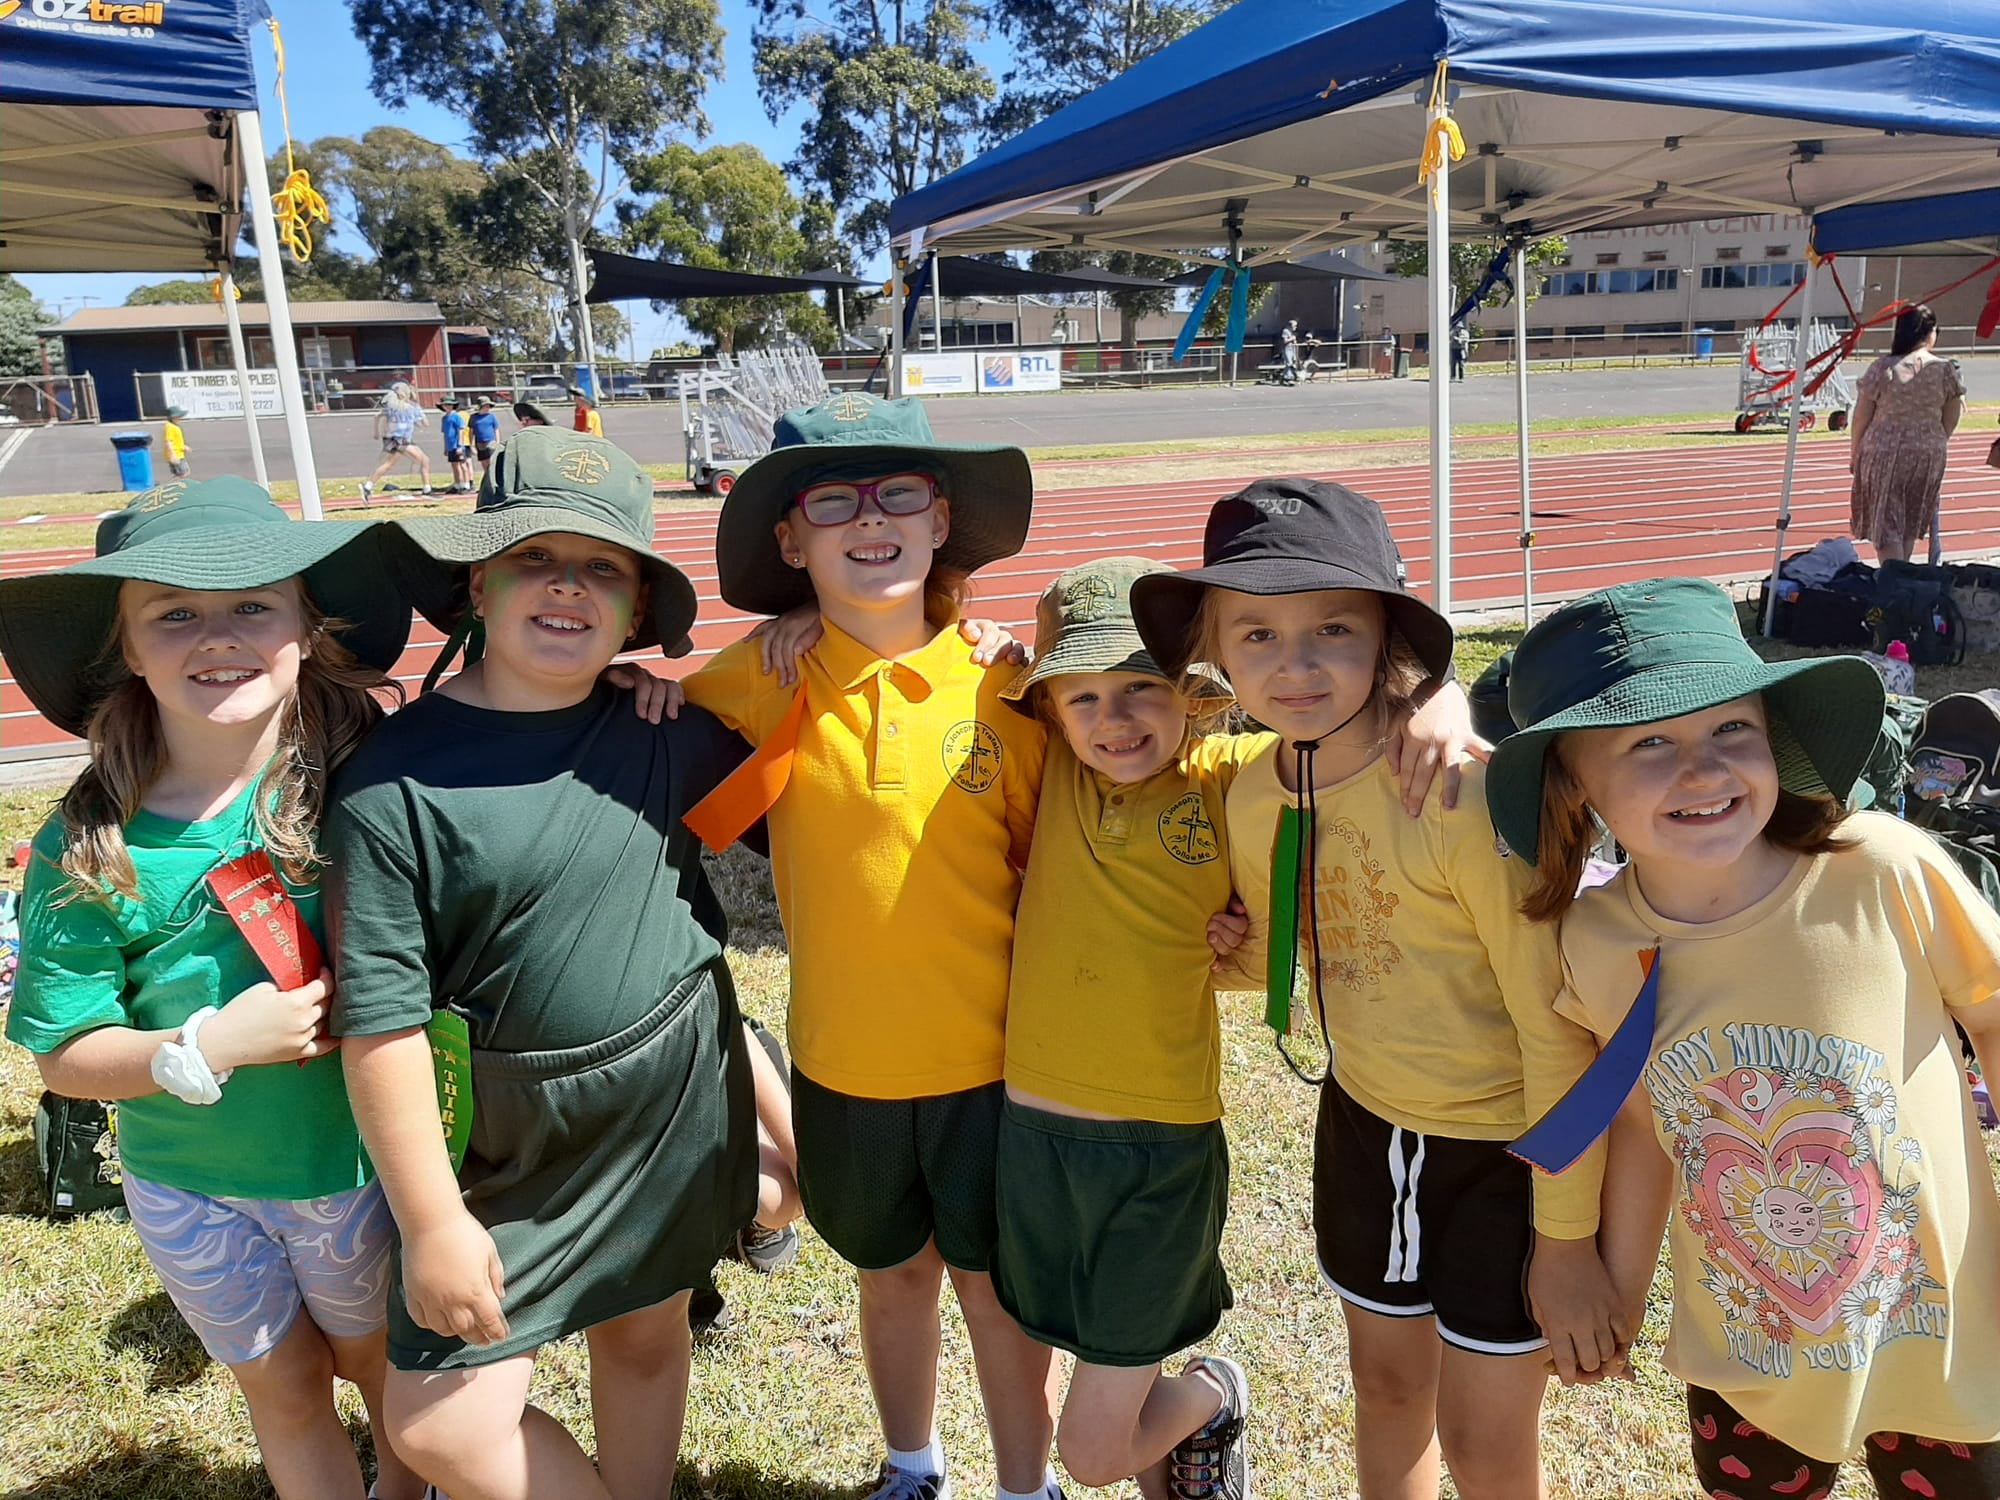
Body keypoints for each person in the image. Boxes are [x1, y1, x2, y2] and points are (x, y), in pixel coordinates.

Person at [1130, 478, 1622, 1500]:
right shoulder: (1256, 788)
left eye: (1331, 630)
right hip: (1364, 1127)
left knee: (1487, 1442)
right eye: (1254, 635)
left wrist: (1567, 1240)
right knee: (1386, 1387)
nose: (1293, 665)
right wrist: (1230, 951)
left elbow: (1554, 1024)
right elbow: (1297, 950)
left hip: (1507, 1152)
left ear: (1387, 637)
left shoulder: (1458, 788)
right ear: (1214, 649)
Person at [1487, 575, 2000, 1499]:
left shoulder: (1882, 869)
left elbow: (1995, 1015)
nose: (1704, 768)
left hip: (1942, 1329)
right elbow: (1644, 1126)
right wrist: (1620, 1284)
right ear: (1573, 786)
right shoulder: (1600, 941)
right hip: (1749, 1347)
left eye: (1733, 729)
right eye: (1650, 743)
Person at [326, 426, 760, 1500]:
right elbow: (378, 1021)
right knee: (436, 1424)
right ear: (478, 582)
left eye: (602, 569)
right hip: (505, 1148)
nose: (567, 586)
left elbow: (826, 800)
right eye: (533, 557)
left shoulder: (668, 729)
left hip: (666, 1112)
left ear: (635, 612)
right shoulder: (392, 781)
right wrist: (429, 1222)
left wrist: (821, 633)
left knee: (647, 1332)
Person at [0, 477, 422, 1500]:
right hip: (192, 1189)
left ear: (307, 633)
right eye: (174, 613)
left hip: (361, 1168)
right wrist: (205, 1046)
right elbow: (65, 1053)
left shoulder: (377, 783)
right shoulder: (88, 847)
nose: (216, 636)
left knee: (384, 1374)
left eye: (251, 605)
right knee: (284, 1393)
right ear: (127, 651)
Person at [679, 393, 1066, 1500]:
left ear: (940, 520)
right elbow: (642, 718)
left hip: (995, 1067)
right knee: (890, 1277)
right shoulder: (763, 677)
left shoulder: (1012, 686)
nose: (870, 519)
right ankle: (910, 1465)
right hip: (843, 1066)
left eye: (899, 492)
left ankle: (1024, 1485)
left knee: (995, 1293)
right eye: (832, 500)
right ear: (791, 539)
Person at [993, 556, 1261, 1500]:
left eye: (1143, 687)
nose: (1115, 720)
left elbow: (1330, 753)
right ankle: (1183, 1456)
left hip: (1158, 1147)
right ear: (1053, 711)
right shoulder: (1057, 766)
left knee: (1094, 1453)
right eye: (1085, 696)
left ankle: (1214, 1396)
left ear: (1192, 693)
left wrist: (1430, 707)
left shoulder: (1227, 773)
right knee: (1094, 1349)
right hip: (1033, 1139)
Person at [1849, 303, 1965, 563]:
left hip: (1884, 451)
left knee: (1886, 523)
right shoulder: (1945, 370)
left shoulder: (1883, 368)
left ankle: (1895, 584)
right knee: (1911, 518)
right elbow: (1952, 415)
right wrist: (1935, 438)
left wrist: (1855, 451)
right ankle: (1903, 577)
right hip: (1927, 452)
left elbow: (1862, 416)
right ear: (1930, 332)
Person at [361, 381, 433, 505]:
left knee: (389, 464)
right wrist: (420, 412)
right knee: (423, 460)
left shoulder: (392, 407)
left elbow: (378, 417)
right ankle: (427, 490)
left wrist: (377, 433)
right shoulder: (412, 407)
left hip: (392, 438)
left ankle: (368, 486)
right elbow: (425, 424)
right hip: (401, 439)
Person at [437, 397, 473, 495]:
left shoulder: (456, 416)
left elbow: (460, 430)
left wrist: (460, 445)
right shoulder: (444, 418)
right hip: (450, 446)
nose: (447, 407)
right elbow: (445, 433)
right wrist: (446, 448)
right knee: (454, 465)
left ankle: (466, 485)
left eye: (449, 405)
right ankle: (457, 484)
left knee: (462, 465)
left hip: (457, 445)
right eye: (445, 405)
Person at [469, 397, 501, 482]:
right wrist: (471, 445)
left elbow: (496, 429)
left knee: (492, 462)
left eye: (489, 406)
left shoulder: (491, 417)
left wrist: (497, 441)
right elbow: (471, 431)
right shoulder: (474, 417)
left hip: (490, 442)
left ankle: (495, 480)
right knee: (484, 462)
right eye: (485, 406)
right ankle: (488, 480)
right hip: (480, 443)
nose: (487, 408)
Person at [163, 404, 191, 477]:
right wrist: (173, 455)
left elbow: (176, 440)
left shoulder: (174, 426)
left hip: (179, 454)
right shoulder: (169, 427)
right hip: (176, 455)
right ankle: (180, 486)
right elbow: (168, 442)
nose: (180, 419)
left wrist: (184, 446)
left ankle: (179, 485)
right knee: (184, 473)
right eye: (178, 417)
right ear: (173, 418)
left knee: (181, 473)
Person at [1280, 320, 1300, 384]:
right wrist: (1292, 339)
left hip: (1292, 349)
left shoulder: (1292, 332)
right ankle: (1287, 378)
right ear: (1290, 326)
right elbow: (1285, 341)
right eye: (1295, 326)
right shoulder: (1285, 331)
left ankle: (1291, 376)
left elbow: (1294, 340)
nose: (1296, 327)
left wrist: (1295, 341)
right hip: (1287, 349)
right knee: (1289, 363)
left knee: (1293, 363)